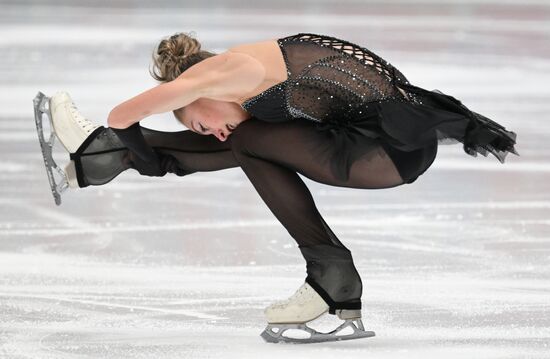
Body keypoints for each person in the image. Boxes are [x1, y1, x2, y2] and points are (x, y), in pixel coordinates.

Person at [42, 31, 518, 343]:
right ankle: (105, 158)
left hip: (386, 150)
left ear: (197, 93)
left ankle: (99, 151)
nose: (213, 132)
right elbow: (228, 128)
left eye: (202, 124)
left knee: (246, 140)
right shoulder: (245, 69)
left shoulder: (222, 74)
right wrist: (149, 159)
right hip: (381, 144)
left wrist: (141, 154)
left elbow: (122, 115)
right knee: (246, 140)